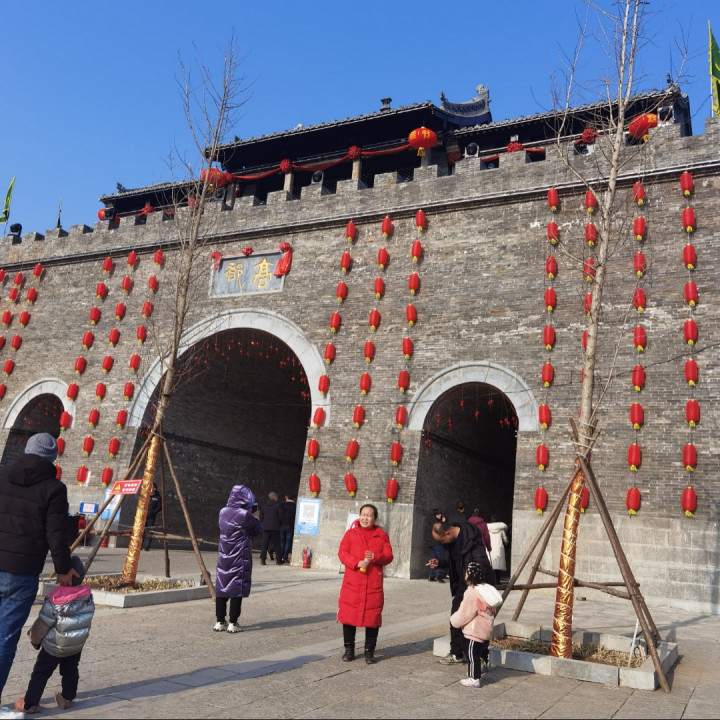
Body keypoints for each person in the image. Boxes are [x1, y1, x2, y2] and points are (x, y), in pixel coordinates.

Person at [0, 433, 78, 714]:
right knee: (4, 638)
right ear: (53, 458)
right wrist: (63, 570)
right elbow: (56, 534)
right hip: (20, 573)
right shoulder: (54, 488)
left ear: (26, 449)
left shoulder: (2, 476)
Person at [15, 555, 94, 713]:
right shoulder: (87, 597)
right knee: (70, 671)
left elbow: (42, 623)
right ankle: (67, 698)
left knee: (41, 673)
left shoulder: (56, 599)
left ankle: (30, 704)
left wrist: (34, 640)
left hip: (54, 646)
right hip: (75, 646)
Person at [428, 517, 494, 665]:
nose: (442, 543)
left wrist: (473, 584)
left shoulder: (471, 539)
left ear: (448, 533)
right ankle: (456, 653)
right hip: (461, 585)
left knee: (479, 622)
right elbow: (453, 561)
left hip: (476, 587)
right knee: (456, 617)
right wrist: (440, 563)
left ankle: (481, 658)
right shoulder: (451, 542)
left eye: (442, 540)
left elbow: (481, 564)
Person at [337, 504, 393, 664]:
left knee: (372, 619)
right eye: (363, 514)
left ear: (375, 518)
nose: (365, 518)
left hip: (373, 584)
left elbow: (389, 556)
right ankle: (349, 650)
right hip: (352, 583)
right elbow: (342, 553)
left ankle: (369, 652)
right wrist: (356, 563)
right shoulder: (351, 534)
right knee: (348, 617)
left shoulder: (382, 536)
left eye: (369, 515)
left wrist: (376, 557)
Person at [214, 485, 262, 633]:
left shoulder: (223, 512)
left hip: (224, 554)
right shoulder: (245, 515)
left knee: (222, 586)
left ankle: (220, 621)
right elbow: (256, 530)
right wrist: (256, 517)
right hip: (239, 555)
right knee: (236, 587)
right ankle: (233, 622)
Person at [449, 561, 502, 688]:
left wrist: (454, 620)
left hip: (474, 631)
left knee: (472, 655)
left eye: (466, 573)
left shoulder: (472, 592)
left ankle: (474, 678)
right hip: (484, 630)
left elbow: (465, 613)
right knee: (475, 654)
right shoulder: (485, 590)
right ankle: (473, 674)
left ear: (469, 576)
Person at [486, 514, 510, 586]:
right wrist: (507, 543)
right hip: (499, 548)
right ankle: (497, 581)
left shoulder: (487, 529)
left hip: (490, 548)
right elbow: (505, 539)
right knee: (498, 567)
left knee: (491, 565)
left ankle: (491, 581)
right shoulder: (501, 529)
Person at [259, 491, 281, 565]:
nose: (277, 497)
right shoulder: (278, 505)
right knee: (277, 544)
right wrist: (278, 523)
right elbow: (280, 516)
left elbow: (261, 517)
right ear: (274, 496)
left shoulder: (264, 506)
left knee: (265, 544)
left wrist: (264, 523)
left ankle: (262, 560)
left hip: (266, 528)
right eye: (276, 496)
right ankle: (278, 560)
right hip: (275, 527)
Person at [142, 483, 163, 551]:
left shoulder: (158, 497)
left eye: (151, 487)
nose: (150, 488)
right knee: (141, 531)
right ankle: (139, 545)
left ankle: (147, 546)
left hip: (151, 517)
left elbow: (159, 507)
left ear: (154, 488)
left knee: (150, 531)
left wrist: (152, 513)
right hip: (143, 516)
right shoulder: (146, 495)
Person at [428, 509, 446, 583]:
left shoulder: (430, 521)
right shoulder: (438, 523)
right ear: (436, 515)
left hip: (431, 543)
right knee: (440, 559)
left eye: (440, 514)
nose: (440, 515)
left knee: (433, 559)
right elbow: (441, 531)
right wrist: (443, 522)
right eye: (439, 514)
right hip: (437, 543)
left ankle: (431, 575)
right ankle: (439, 576)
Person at [278, 494, 296, 565]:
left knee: (282, 542)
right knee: (288, 542)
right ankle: (285, 557)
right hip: (290, 525)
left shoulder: (282, 504)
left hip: (282, 525)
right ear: (294, 499)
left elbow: (279, 515)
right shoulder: (295, 506)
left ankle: (281, 556)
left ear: (287, 497)